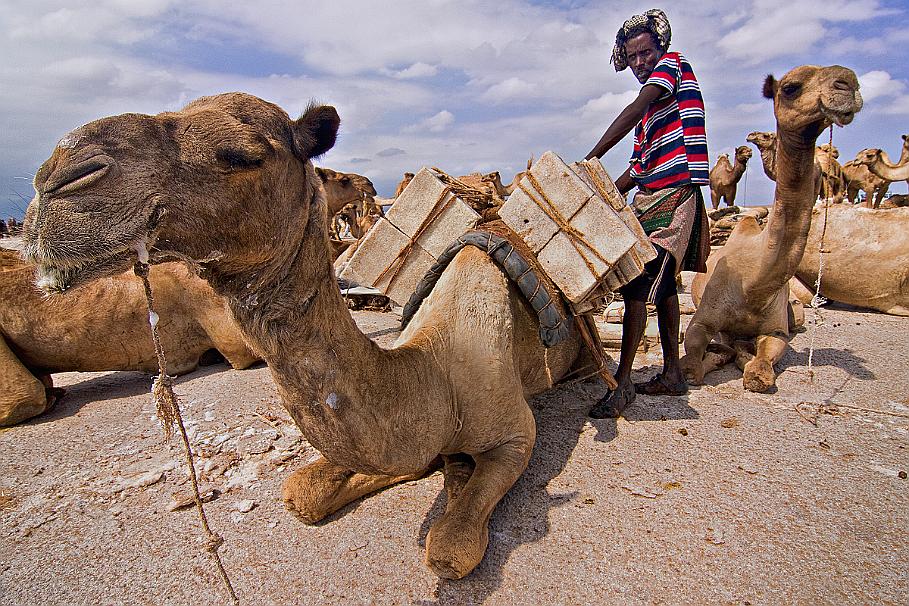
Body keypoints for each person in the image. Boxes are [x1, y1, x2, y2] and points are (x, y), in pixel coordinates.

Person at [585, 9, 710, 419]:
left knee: (638, 282)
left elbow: (637, 107)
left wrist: (591, 157)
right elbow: (638, 170)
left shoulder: (672, 68)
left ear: (661, 49)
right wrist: (594, 191)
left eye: (646, 53)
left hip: (674, 196)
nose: (640, 62)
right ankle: (673, 372)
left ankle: (621, 384)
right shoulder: (649, 123)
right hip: (649, 197)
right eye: (633, 56)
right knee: (666, 286)